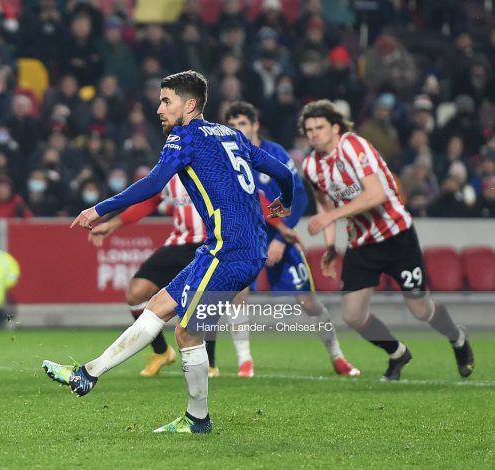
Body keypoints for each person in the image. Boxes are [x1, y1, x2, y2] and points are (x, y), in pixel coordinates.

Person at [42, 70, 296, 433]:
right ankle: (87, 373)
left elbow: (153, 183)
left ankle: (197, 419)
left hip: (229, 248)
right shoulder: (232, 134)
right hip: (235, 245)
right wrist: (283, 202)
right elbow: (282, 173)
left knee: (186, 334)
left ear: (189, 105)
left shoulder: (185, 136)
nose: (159, 109)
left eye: (166, 101)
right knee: (158, 306)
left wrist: (99, 209)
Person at [300, 100, 474, 381]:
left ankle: (457, 337)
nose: (314, 134)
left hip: (396, 236)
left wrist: (332, 218)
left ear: (335, 127)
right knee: (353, 316)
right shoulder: (311, 166)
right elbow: (324, 206)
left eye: (319, 127)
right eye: (309, 130)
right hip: (362, 244)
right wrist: (330, 245)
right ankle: (397, 352)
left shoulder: (353, 146)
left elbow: (375, 194)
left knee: (420, 309)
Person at [204, 101, 359, 378]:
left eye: (242, 124)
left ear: (255, 125)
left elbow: (297, 195)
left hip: (279, 236)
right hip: (245, 237)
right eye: (232, 125)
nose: (237, 129)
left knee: (307, 301)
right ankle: (245, 362)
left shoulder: (274, 153)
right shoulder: (224, 157)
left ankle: (338, 357)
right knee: (238, 294)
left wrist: (282, 237)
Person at [88, 174, 207, 377]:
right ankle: (161, 352)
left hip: (208, 243)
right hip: (177, 242)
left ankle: (209, 363)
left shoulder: (212, 167)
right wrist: (111, 225)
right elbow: (150, 201)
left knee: (199, 304)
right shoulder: (172, 172)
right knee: (136, 293)